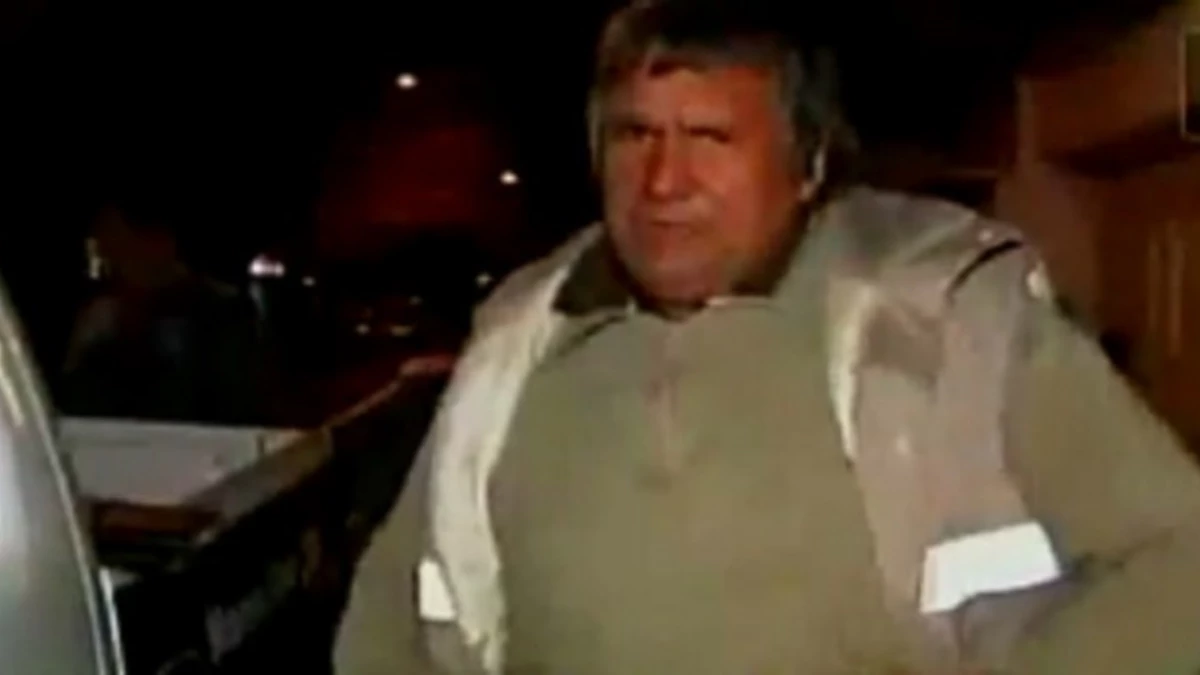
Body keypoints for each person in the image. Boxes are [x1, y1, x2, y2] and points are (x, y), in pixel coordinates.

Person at [334, 1, 1200, 673]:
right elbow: (388, 623)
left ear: (808, 165)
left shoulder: (948, 323)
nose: (663, 180)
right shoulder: (511, 354)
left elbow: (1179, 563)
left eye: (709, 137)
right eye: (635, 135)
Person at [61, 197, 266, 424]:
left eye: (117, 243)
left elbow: (230, 409)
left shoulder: (223, 314)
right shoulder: (102, 320)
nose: (110, 261)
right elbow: (76, 408)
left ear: (158, 241)